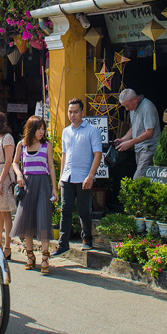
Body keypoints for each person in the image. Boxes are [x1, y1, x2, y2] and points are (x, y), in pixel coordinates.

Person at [53, 98, 103, 256]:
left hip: (84, 177)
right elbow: (64, 155)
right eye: (70, 112)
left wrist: (90, 176)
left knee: (83, 210)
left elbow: (98, 155)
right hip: (68, 176)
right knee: (65, 210)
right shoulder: (66, 131)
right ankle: (63, 243)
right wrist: (61, 177)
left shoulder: (92, 131)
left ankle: (87, 239)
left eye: (75, 112)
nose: (72, 115)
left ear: (82, 112)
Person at [11, 115, 58, 273]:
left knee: (43, 219)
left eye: (43, 128)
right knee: (27, 221)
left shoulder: (46, 145)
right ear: (31, 129)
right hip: (27, 184)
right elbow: (15, 162)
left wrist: (54, 188)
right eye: (39, 128)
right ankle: (30, 257)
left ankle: (45, 257)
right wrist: (18, 175)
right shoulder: (21, 145)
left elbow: (51, 167)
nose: (42, 131)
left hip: (43, 184)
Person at [114, 88, 159, 179]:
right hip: (139, 148)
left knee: (138, 178)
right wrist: (124, 139)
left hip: (148, 148)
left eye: (127, 105)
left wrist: (130, 142)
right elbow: (134, 126)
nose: (126, 109)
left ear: (135, 99)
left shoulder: (147, 107)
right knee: (144, 180)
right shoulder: (133, 108)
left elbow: (149, 132)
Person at [0, 112, 17, 260]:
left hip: (3, 174)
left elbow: (8, 161)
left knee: (5, 212)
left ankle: (7, 247)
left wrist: (1, 181)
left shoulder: (7, 138)